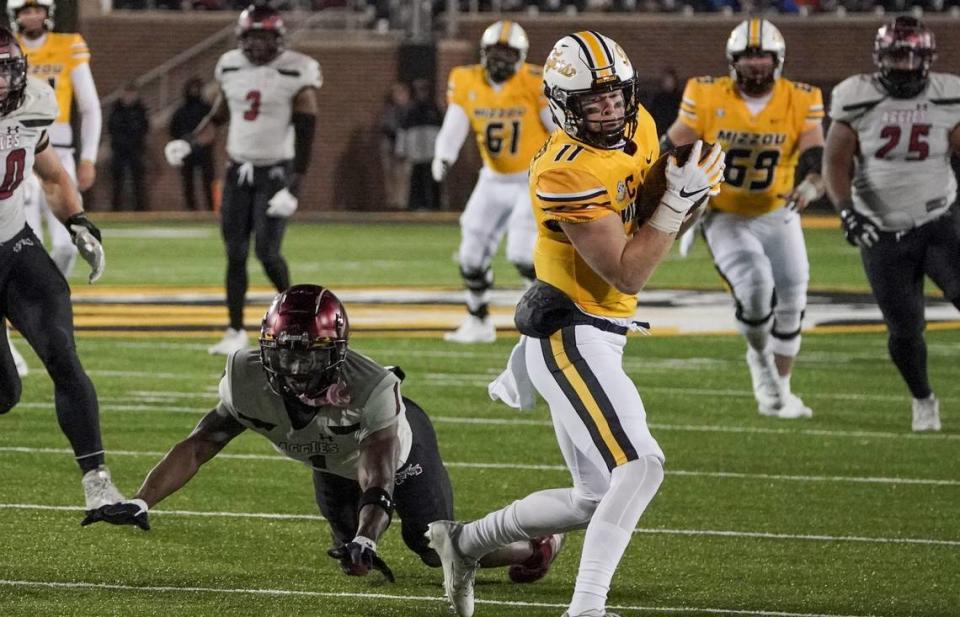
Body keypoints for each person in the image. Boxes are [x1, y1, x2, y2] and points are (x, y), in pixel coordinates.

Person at [426, 32, 724, 617]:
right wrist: (673, 206)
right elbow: (628, 273)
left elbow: (656, 236)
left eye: (617, 96)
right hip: (571, 331)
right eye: (595, 101)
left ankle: (462, 543)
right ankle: (586, 609)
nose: (612, 110)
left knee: (593, 496)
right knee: (640, 466)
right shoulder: (562, 171)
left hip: (600, 332)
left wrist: (693, 200)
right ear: (565, 105)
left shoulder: (638, 125)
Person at [81, 284, 564, 585]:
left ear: (335, 350)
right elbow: (200, 444)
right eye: (286, 352)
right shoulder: (246, 376)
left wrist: (369, 535)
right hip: (327, 460)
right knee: (349, 560)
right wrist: (143, 499)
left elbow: (377, 477)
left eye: (309, 354)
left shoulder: (370, 387)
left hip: (398, 447)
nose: (294, 366)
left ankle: (536, 546)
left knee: (432, 545)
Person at [663, 18, 826, 419]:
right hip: (725, 214)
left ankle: (778, 392)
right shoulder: (705, 93)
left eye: (762, 55)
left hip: (778, 210)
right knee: (756, 289)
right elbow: (672, 146)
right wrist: (677, 199)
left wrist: (811, 185)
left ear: (778, 60)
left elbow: (815, 156)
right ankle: (759, 357)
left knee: (793, 296)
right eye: (747, 56)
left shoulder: (802, 98)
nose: (755, 64)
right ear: (732, 61)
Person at [0, 28, 122, 517]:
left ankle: (98, 482)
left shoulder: (34, 102)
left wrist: (77, 222)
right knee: (5, 394)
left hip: (15, 249)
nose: (2, 84)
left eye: (6, 71)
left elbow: (50, 173)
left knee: (63, 356)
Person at [824, 16, 960, 432]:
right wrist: (847, 211)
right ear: (880, 58)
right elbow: (835, 160)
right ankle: (923, 397)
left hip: (939, 218)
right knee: (905, 329)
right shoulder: (855, 94)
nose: (902, 65)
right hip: (880, 228)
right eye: (895, 55)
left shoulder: (948, 94)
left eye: (910, 56)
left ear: (926, 59)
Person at [164, 5, 320, 355]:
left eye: (264, 36)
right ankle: (235, 329)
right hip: (238, 171)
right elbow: (218, 117)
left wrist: (294, 188)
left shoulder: (298, 71)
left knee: (267, 253)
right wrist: (188, 143)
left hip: (275, 172)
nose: (257, 45)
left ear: (278, 38)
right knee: (234, 253)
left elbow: (308, 133)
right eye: (251, 36)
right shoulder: (231, 66)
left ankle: (297, 321)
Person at [431, 20, 555, 344]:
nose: (500, 61)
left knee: (522, 254)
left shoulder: (534, 80)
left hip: (531, 179)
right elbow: (455, 124)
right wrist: (443, 155)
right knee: (470, 254)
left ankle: (543, 320)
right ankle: (478, 319)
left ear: (521, 56)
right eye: (495, 53)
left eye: (508, 53)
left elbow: (556, 130)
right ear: (483, 53)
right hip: (492, 179)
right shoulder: (465, 79)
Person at [9, 0, 101, 275]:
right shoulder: (9, 49)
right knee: (27, 241)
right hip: (19, 151)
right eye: (26, 11)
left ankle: (51, 296)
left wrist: (88, 158)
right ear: (16, 16)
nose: (33, 16)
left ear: (48, 13)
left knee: (67, 244)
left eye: (38, 10)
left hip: (59, 151)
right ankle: (31, 303)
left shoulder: (68, 45)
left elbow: (90, 107)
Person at [170, 77, 215, 211]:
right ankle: (191, 210)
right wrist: (182, 142)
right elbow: (173, 129)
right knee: (188, 183)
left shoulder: (206, 108)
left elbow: (213, 127)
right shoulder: (181, 111)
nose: (194, 91)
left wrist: (204, 140)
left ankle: (210, 208)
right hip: (186, 150)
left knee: (208, 181)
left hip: (204, 150)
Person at [396, 78, 441, 211]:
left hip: (432, 153)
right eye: (420, 90)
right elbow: (402, 132)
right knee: (416, 181)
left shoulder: (435, 109)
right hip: (415, 154)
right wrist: (401, 150)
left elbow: (443, 131)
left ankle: (434, 205)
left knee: (434, 180)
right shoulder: (410, 111)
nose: (422, 93)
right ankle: (416, 205)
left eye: (424, 90)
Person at [107, 83, 150, 212]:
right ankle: (115, 209)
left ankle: (141, 209)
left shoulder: (140, 110)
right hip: (119, 150)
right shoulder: (116, 110)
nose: (129, 96)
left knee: (138, 181)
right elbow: (112, 128)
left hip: (136, 150)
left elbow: (145, 128)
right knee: (117, 182)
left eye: (132, 93)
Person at [378, 82, 410, 210]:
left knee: (403, 174)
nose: (399, 97)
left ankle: (402, 202)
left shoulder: (409, 110)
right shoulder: (388, 110)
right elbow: (384, 126)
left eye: (402, 94)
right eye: (397, 94)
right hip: (389, 144)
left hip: (404, 145)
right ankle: (391, 202)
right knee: (389, 174)